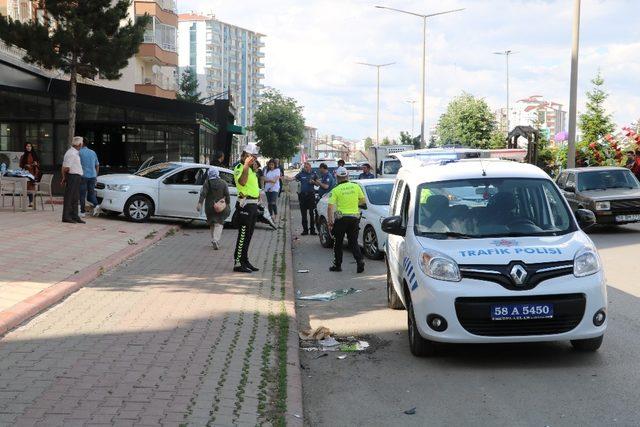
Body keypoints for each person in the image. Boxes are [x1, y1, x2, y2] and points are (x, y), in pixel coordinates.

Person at [327, 167, 366, 273]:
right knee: (353, 242)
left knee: (338, 242)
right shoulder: (356, 186)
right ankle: (359, 261)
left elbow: (330, 207)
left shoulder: (335, 190)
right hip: (354, 218)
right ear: (347, 176)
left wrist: (330, 222)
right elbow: (363, 201)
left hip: (341, 219)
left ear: (337, 177)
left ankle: (337, 265)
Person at [233, 143, 261, 273]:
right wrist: (245, 165)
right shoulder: (240, 167)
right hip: (245, 205)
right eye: (252, 156)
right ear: (245, 155)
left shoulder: (250, 170)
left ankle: (245, 260)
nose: (254, 159)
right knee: (243, 235)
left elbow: (253, 186)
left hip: (253, 205)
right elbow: (242, 182)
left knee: (249, 235)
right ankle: (238, 262)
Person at [197, 167, 231, 250]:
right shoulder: (223, 183)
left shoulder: (207, 183)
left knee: (212, 223)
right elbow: (227, 195)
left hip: (209, 207)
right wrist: (228, 203)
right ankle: (216, 240)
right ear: (217, 173)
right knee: (219, 223)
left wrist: (200, 203)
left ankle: (213, 240)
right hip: (220, 207)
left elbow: (203, 194)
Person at [61, 137, 85, 224]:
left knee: (75, 197)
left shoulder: (75, 153)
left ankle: (75, 216)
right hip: (72, 176)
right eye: (81, 143)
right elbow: (66, 167)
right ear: (79, 144)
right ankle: (66, 216)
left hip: (76, 176)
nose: (82, 145)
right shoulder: (71, 153)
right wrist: (65, 177)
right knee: (69, 197)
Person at [295, 162, 318, 235]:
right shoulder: (301, 174)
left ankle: (312, 230)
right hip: (302, 196)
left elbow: (318, 183)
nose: (306, 168)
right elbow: (294, 178)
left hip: (311, 195)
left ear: (310, 167)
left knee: (312, 213)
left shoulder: (314, 174)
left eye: (307, 167)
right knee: (303, 213)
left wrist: (314, 182)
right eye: (305, 167)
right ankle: (305, 230)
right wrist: (286, 179)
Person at [78, 142, 100, 217]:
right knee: (91, 193)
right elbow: (97, 165)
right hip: (93, 176)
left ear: (82, 144)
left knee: (82, 195)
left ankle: (82, 212)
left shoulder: (79, 152)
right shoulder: (93, 152)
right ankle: (96, 205)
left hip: (83, 176)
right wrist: (96, 176)